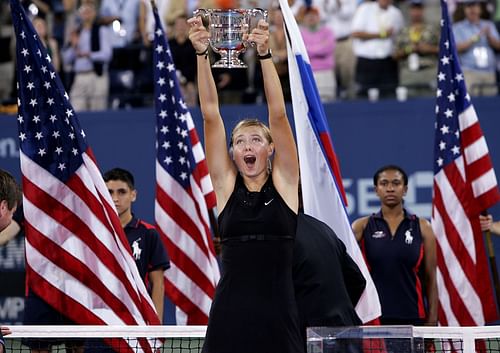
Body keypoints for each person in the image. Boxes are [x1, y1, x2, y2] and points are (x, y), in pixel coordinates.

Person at [188, 14, 304, 353]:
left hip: (279, 318)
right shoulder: (225, 187)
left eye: (256, 140)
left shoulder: (284, 184)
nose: (248, 146)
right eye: (240, 141)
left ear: (270, 150)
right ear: (232, 153)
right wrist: (200, 54)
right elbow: (211, 113)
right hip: (230, 317)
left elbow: (278, 115)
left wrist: (266, 54)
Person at [351, 165, 438, 326]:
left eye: (396, 183)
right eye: (384, 183)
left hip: (413, 318)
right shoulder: (361, 227)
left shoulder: (423, 227)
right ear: (376, 190)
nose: (390, 188)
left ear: (405, 189)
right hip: (374, 319)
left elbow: (430, 278)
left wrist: (432, 320)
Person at [103, 168, 170, 322]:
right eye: (110, 192)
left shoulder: (148, 233)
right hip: (103, 318)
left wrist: (155, 329)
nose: (115, 198)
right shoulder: (96, 231)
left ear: (133, 195)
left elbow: (158, 284)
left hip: (136, 318)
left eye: (121, 192)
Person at [293, 213, 365, 348]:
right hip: (346, 331)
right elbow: (357, 280)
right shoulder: (322, 228)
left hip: (311, 339)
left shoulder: (277, 234)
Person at [62, 2, 113, 111]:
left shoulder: (102, 30)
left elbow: (107, 55)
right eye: (84, 11)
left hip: (97, 76)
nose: (86, 13)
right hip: (80, 77)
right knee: (76, 112)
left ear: (94, 14)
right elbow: (66, 59)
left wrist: (89, 55)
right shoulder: (75, 32)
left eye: (89, 11)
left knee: (98, 113)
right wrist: (74, 46)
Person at [351, 0, 404, 98]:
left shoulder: (396, 13)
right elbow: (356, 33)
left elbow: (400, 35)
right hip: (367, 60)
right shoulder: (365, 9)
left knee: (389, 95)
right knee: (363, 95)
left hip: (388, 61)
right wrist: (381, 35)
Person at [453, 0, 500, 96]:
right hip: (470, 72)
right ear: (465, 9)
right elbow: (456, 48)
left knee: (491, 105)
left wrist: (489, 37)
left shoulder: (489, 25)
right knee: (471, 106)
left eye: (474, 5)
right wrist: (475, 38)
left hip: (489, 72)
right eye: (469, 6)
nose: (472, 9)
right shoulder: (458, 27)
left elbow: (498, 45)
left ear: (480, 8)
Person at [393, 0, 439, 97]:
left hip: (429, 71)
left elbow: (444, 51)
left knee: (431, 103)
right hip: (409, 73)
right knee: (409, 105)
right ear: (409, 10)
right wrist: (409, 49)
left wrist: (429, 49)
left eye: (419, 9)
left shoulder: (433, 29)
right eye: (414, 9)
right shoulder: (403, 30)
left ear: (423, 10)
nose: (416, 12)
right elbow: (395, 55)